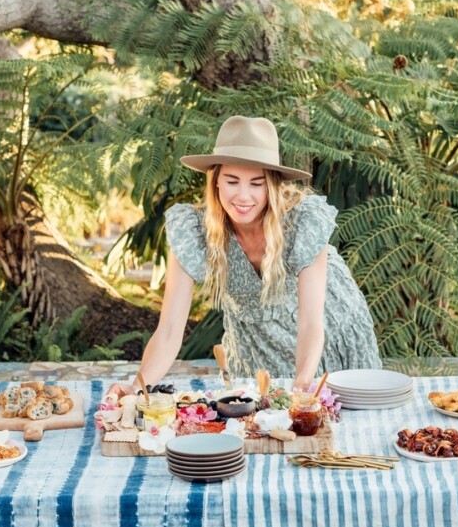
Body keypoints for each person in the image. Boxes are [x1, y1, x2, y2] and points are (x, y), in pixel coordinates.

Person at [116, 115, 381, 395]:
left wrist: (303, 385)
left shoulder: (303, 222)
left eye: (257, 184)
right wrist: (137, 388)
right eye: (232, 181)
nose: (243, 197)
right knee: (257, 421)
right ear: (215, 181)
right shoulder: (193, 230)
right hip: (254, 343)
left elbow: (311, 323)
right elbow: (169, 330)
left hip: (328, 328)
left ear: (273, 185)